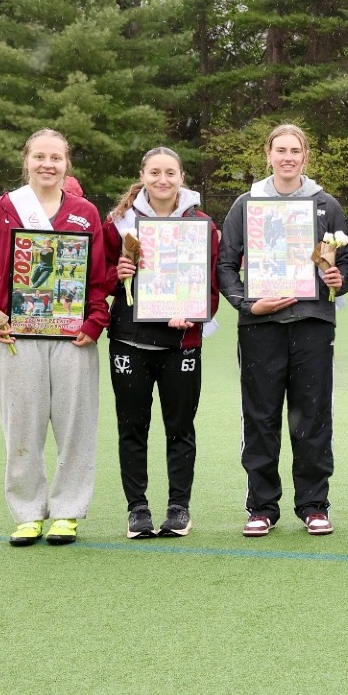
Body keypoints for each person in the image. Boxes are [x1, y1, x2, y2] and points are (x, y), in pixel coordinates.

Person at [0, 129, 111, 545]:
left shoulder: (85, 213)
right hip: (16, 338)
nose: (48, 165)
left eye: (57, 158)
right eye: (40, 157)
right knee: (22, 427)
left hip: (73, 338)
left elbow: (97, 280)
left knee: (75, 426)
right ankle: (27, 512)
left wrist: (93, 322)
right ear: (26, 160)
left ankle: (67, 511)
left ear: (67, 165)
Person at [217, 122, 348, 538]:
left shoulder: (325, 204)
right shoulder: (246, 204)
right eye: (281, 150)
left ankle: (314, 505)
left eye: (296, 150)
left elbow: (343, 266)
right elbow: (225, 265)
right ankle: (261, 506)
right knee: (261, 416)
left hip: (312, 323)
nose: (288, 157)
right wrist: (246, 302)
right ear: (269, 154)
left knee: (312, 415)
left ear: (305, 157)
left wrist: (337, 281)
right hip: (260, 325)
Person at [101, 148, 220, 538]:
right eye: (155, 172)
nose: (163, 179)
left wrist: (196, 312)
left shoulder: (202, 224)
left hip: (181, 341)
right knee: (132, 426)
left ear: (181, 176)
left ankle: (178, 508)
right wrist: (117, 273)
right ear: (143, 175)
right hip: (129, 341)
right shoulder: (120, 223)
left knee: (180, 427)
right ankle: (137, 508)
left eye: (170, 172)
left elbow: (212, 285)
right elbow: (98, 277)